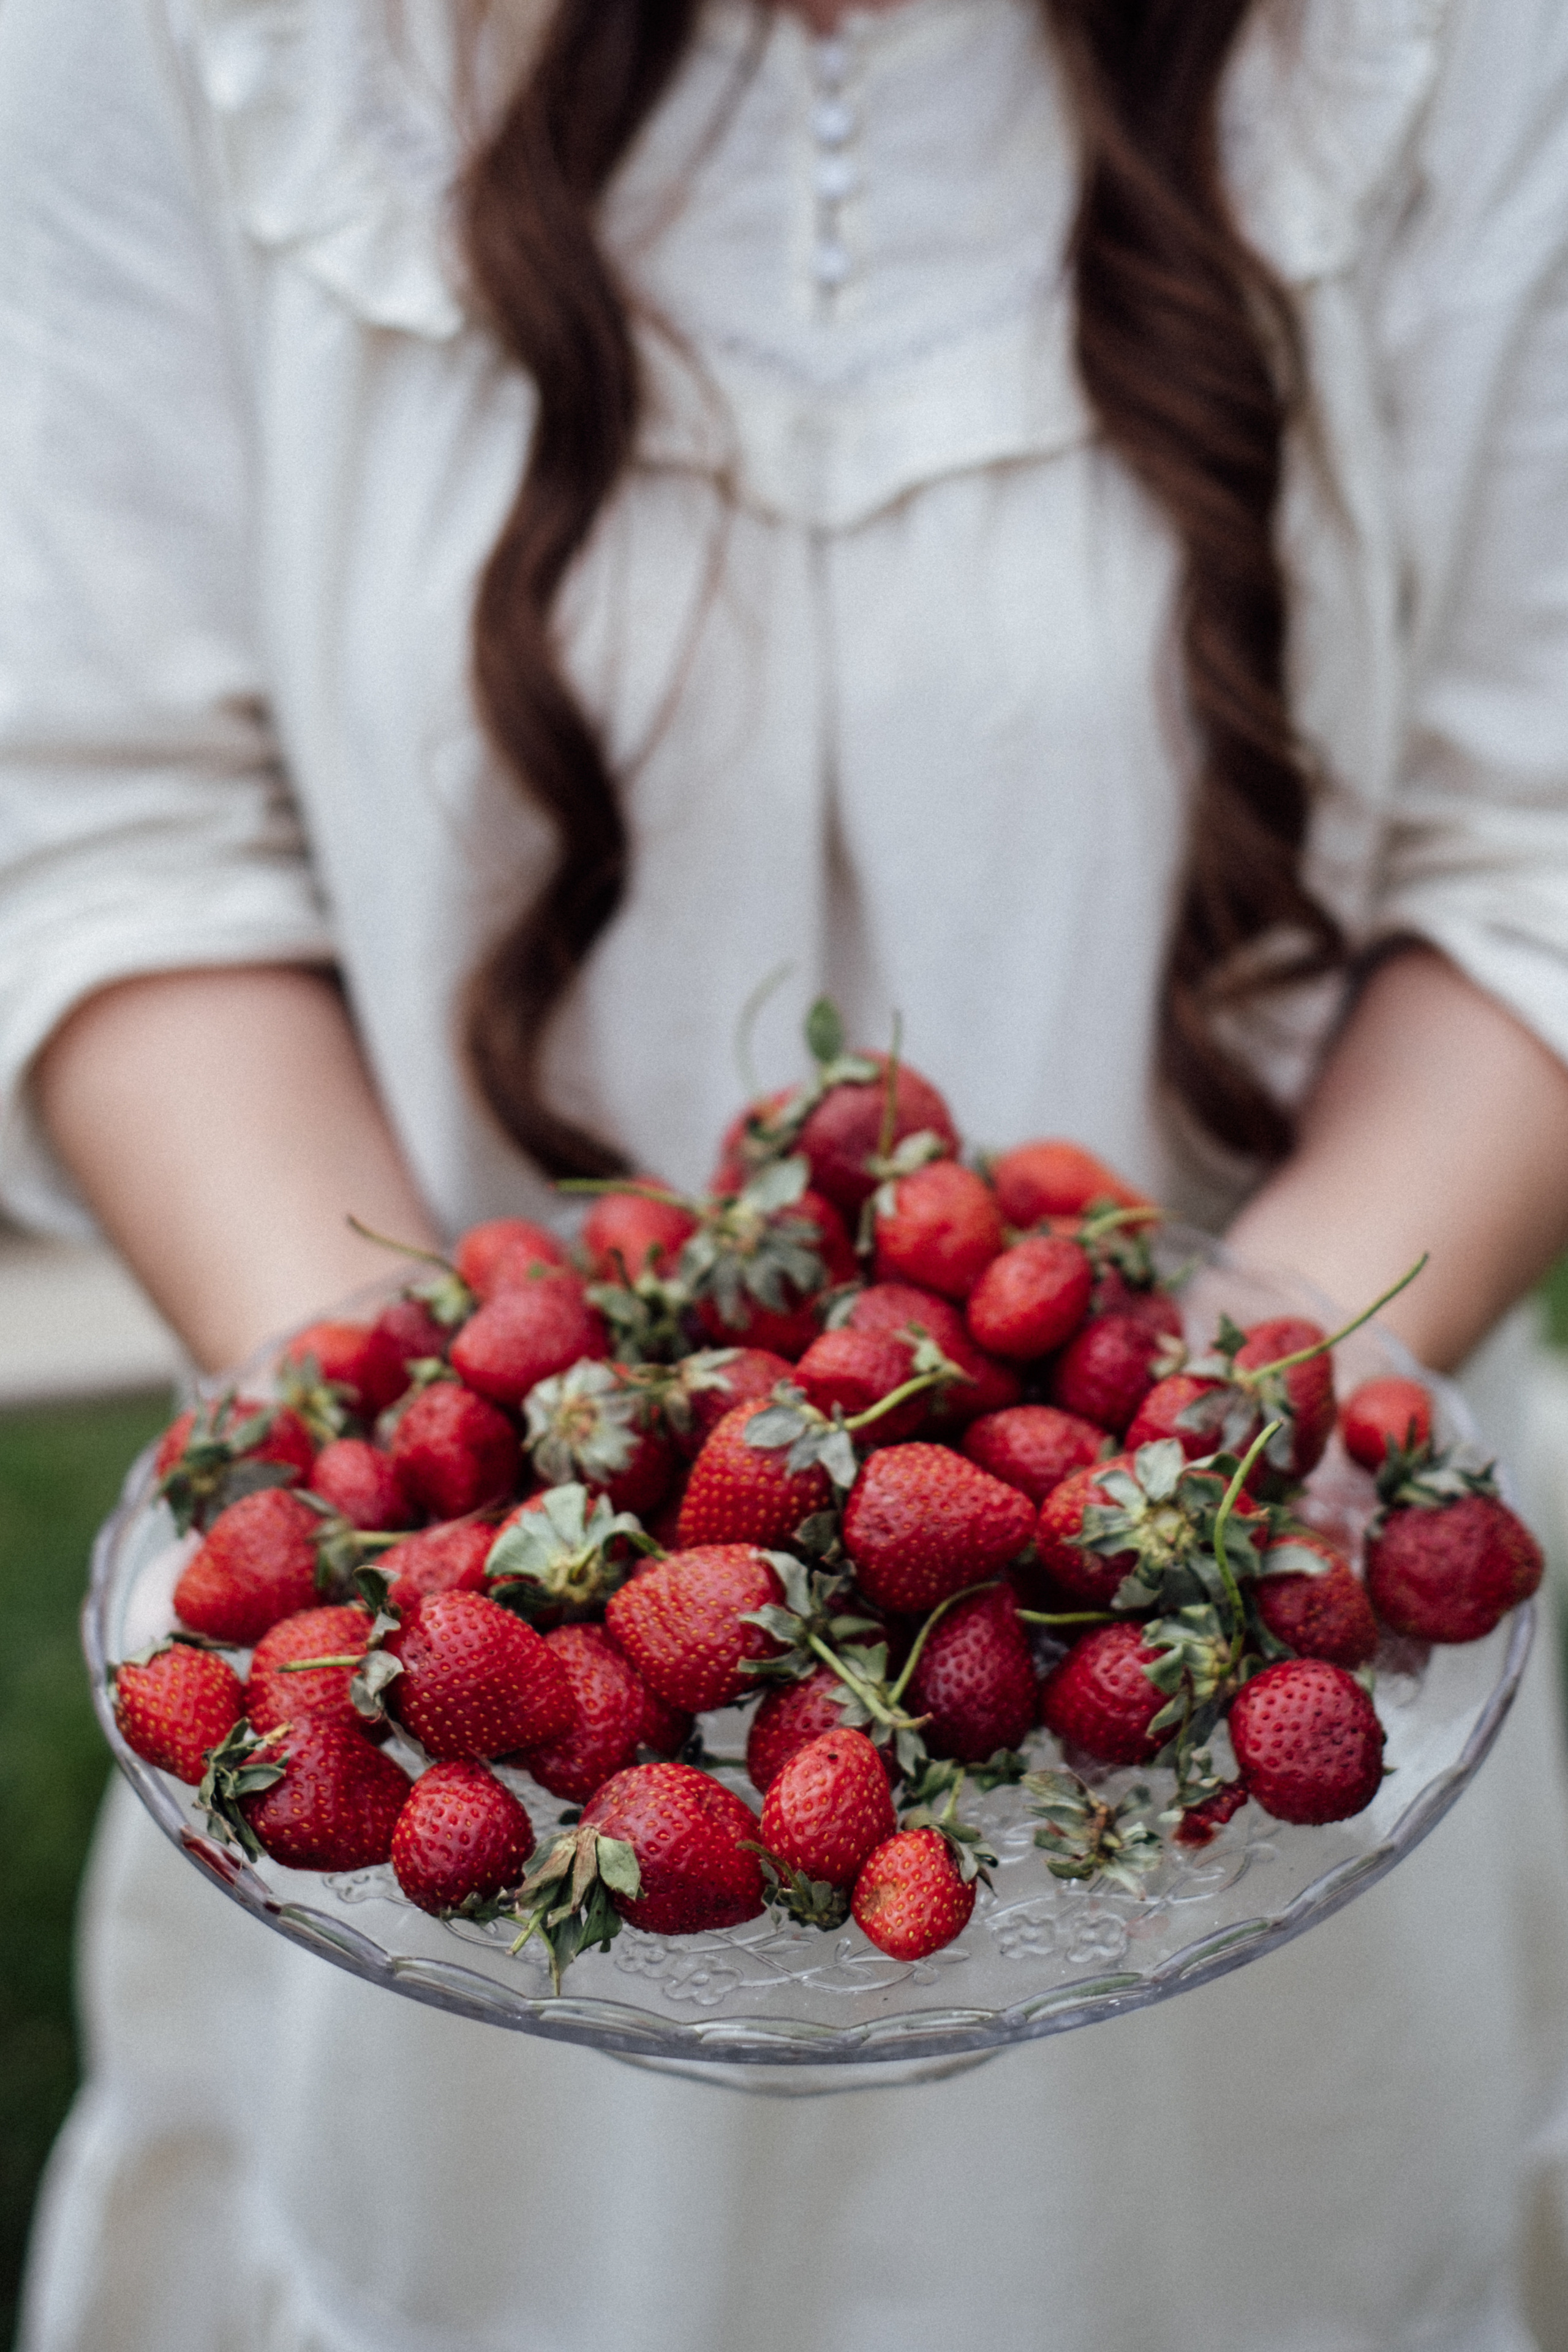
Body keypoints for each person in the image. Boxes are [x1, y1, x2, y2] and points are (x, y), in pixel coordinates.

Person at [5, 0, 1568, 2345]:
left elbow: (1526, 833)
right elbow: (114, 819)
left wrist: (1228, 1449)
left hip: (1237, 1596)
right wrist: (417, 1494)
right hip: (483, 1706)